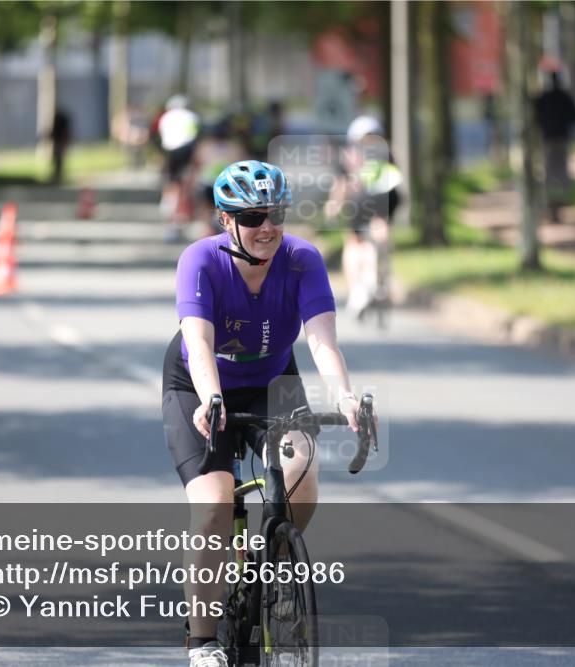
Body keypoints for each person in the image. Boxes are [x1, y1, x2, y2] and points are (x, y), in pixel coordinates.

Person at [162, 160, 372, 666]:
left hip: (273, 382)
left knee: (301, 473)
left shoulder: (302, 259)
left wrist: (344, 397)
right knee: (213, 505)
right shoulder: (200, 260)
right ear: (224, 219)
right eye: (252, 216)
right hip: (199, 383)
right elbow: (200, 340)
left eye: (275, 212)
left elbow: (321, 341)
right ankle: (204, 641)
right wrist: (212, 399)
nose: (267, 226)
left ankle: (273, 568)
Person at [325, 115, 403, 319]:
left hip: (360, 198)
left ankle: (356, 290)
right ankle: (382, 272)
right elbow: (395, 176)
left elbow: (341, 185)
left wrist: (333, 206)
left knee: (353, 242)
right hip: (386, 196)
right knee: (381, 227)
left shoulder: (349, 152)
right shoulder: (386, 150)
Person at [187, 114, 247, 236]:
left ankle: (207, 232)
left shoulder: (204, 147)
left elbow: (195, 166)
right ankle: (224, 232)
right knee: (227, 210)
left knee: (205, 210)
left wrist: (191, 183)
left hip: (207, 184)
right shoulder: (235, 148)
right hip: (227, 186)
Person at [533, 71, 575, 223]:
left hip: (548, 138)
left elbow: (536, 118)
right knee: (560, 171)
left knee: (550, 171)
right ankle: (557, 203)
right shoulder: (564, 97)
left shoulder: (543, 99)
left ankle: (553, 204)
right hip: (561, 138)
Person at [158, 95, 201, 241]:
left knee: (172, 183)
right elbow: (195, 136)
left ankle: (170, 208)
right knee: (186, 184)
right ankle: (183, 214)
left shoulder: (165, 117)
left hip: (170, 152)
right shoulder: (192, 116)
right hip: (187, 151)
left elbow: (162, 137)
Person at [49, 109, 72, 184]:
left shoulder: (61, 122)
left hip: (60, 142)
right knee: (57, 159)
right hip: (58, 142)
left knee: (59, 159)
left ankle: (58, 175)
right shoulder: (58, 122)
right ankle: (57, 174)